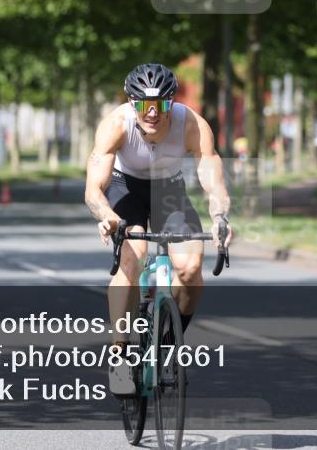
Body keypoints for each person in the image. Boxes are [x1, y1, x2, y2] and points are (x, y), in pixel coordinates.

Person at [85, 63, 233, 395]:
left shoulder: (192, 124)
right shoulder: (116, 125)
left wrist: (220, 217)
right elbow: (94, 189)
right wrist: (106, 214)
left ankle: (168, 342)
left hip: (168, 189)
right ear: (131, 102)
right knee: (133, 257)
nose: (152, 113)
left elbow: (214, 182)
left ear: (171, 102)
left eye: (161, 104)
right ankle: (119, 355)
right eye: (143, 104)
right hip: (125, 189)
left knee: (191, 266)